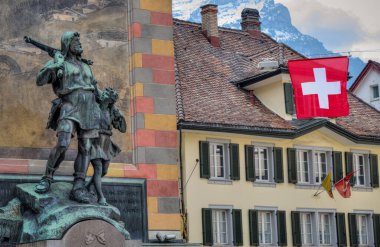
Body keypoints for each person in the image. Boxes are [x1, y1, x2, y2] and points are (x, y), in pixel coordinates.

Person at [34, 32, 102, 203]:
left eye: (79, 40)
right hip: (69, 106)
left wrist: (106, 102)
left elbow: (94, 88)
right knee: (63, 143)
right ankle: (47, 177)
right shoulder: (60, 62)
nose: (79, 43)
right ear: (66, 43)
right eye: (75, 40)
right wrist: (55, 64)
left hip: (90, 109)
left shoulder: (86, 66)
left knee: (86, 148)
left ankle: (78, 186)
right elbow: (40, 80)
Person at [87, 87, 126, 205]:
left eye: (107, 97)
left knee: (104, 171)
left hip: (106, 142)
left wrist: (120, 116)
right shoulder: (93, 108)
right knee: (98, 169)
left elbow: (123, 129)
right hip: (95, 140)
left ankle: (88, 186)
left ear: (110, 101)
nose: (104, 97)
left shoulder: (111, 112)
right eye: (104, 95)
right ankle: (101, 197)